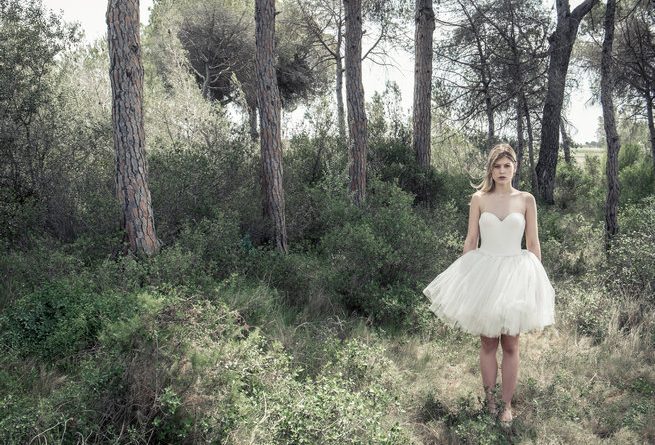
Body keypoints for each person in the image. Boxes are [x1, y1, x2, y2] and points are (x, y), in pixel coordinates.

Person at [422, 143, 555, 425]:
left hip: (516, 273)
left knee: (511, 343)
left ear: (515, 167)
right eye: (497, 166)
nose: (502, 171)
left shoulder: (526, 200)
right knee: (487, 343)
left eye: (507, 166)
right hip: (486, 272)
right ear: (490, 170)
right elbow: (471, 240)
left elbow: (533, 243)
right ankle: (490, 401)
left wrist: (537, 283)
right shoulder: (479, 199)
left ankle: (506, 405)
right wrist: (464, 277)